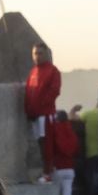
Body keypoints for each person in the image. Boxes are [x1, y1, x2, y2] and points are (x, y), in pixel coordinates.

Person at [26, 44, 62, 174]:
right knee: (38, 144)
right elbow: (28, 92)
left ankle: (48, 173)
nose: (37, 56)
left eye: (40, 53)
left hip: (45, 114)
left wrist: (40, 107)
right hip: (34, 115)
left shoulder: (53, 71)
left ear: (46, 54)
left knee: (47, 143)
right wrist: (28, 110)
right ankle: (43, 171)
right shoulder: (33, 72)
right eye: (35, 53)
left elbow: (54, 91)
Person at [73, 102, 98, 195]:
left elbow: (73, 120)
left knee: (92, 190)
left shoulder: (90, 114)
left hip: (91, 157)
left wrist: (74, 110)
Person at [46, 108, 78, 195]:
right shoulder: (71, 132)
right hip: (70, 169)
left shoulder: (56, 130)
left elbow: (50, 149)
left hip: (58, 168)